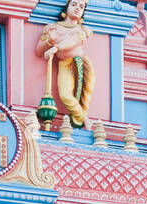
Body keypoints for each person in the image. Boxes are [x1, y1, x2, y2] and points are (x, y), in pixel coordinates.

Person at [36, 0, 95, 130]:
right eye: (74, 4)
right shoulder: (53, 28)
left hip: (79, 63)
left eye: (81, 7)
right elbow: (39, 50)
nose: (77, 8)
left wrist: (55, 47)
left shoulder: (83, 30)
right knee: (65, 95)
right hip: (65, 63)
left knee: (81, 96)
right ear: (66, 8)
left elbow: (73, 41)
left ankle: (82, 119)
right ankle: (83, 118)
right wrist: (50, 41)